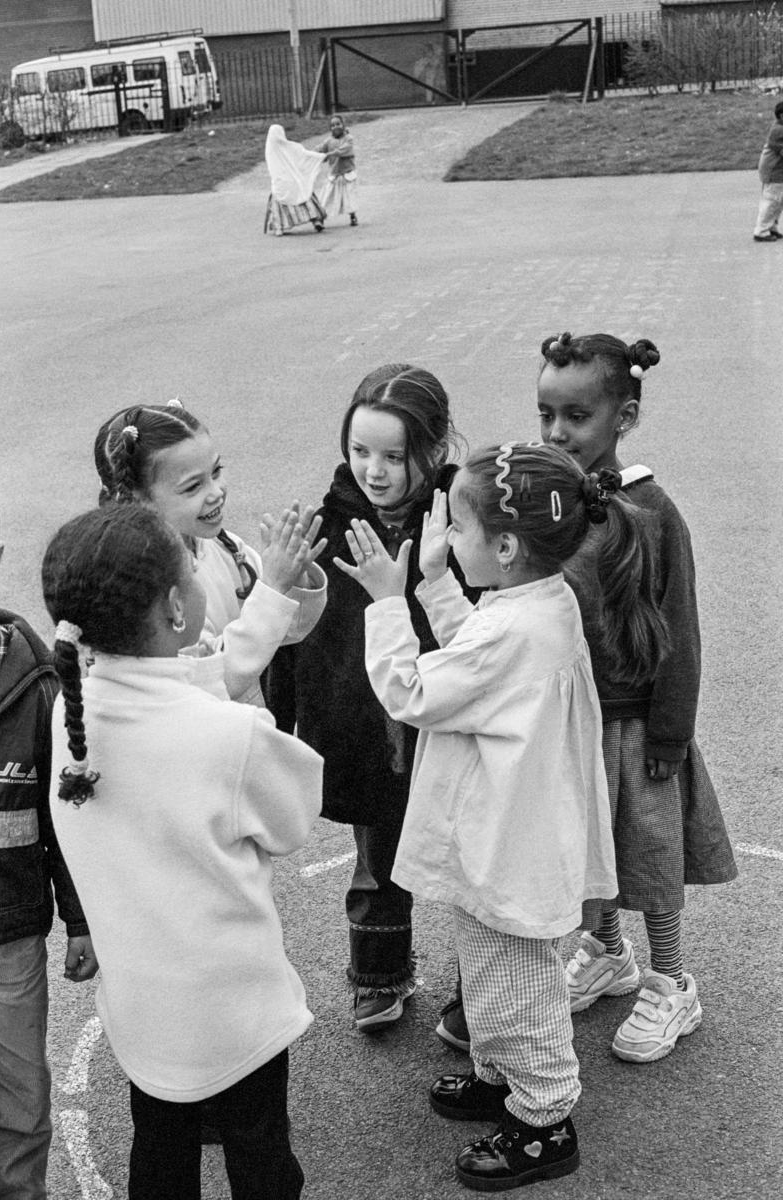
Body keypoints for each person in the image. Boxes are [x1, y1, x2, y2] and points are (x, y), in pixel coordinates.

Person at [337, 441, 664, 1189]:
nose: (446, 540)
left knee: (517, 984)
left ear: (507, 546)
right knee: (491, 974)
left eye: (456, 529)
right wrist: (431, 586)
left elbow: (414, 691)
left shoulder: (515, 627)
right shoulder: (534, 602)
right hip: (515, 830)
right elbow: (473, 649)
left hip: (508, 842)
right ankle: (499, 1078)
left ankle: (545, 1119)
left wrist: (389, 602)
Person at [41, 503, 324, 1199]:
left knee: (160, 1151)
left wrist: (271, 596)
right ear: (175, 608)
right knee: (260, 1153)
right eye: (193, 571)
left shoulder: (73, 713)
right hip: (233, 1010)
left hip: (145, 1009)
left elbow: (184, 685)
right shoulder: (230, 737)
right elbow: (291, 823)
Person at [537, 331, 737, 1063]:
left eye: (577, 416)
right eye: (546, 414)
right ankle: (608, 955)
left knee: (649, 857)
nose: (558, 431)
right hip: (571, 724)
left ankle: (670, 982)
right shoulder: (548, 504)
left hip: (635, 728)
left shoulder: (654, 512)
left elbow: (679, 628)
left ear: (622, 419)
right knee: (588, 850)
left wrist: (670, 735)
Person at [264, 364, 475, 1032]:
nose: (374, 470)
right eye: (360, 451)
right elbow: (290, 638)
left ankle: (487, 993)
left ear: (436, 450)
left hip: (449, 725)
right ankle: (380, 975)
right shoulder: (327, 528)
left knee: (474, 866)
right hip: (364, 731)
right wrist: (280, 726)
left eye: (393, 455)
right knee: (377, 860)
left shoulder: (462, 519)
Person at [0, 476, 97, 1200]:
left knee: (19, 1105)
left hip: (7, 936)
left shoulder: (33, 683)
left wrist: (82, 921)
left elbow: (64, 817)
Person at [94, 400, 327, 708]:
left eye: (216, 471)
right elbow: (209, 682)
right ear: (137, 501)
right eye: (193, 486)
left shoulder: (222, 545)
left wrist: (292, 581)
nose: (216, 491)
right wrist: (271, 590)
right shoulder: (138, 588)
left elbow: (281, 631)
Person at [263, 123, 327, 236]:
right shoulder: (289, 147)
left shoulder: (271, 148)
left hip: (280, 182)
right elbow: (303, 155)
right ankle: (315, 219)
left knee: (279, 196)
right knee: (303, 191)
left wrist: (320, 156)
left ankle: (279, 226)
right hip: (291, 180)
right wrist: (320, 157)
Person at [316, 115, 359, 227]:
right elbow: (320, 150)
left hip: (347, 173)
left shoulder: (349, 138)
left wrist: (329, 154)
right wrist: (312, 155)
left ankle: (353, 216)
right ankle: (320, 219)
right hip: (334, 174)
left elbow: (343, 150)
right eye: (333, 125)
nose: (336, 127)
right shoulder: (328, 141)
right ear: (330, 128)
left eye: (338, 124)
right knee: (326, 198)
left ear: (343, 125)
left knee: (349, 197)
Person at [752, 98, 783, 242]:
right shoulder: (778, 130)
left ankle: (771, 227)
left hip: (778, 172)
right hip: (774, 172)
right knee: (771, 201)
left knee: (778, 202)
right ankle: (761, 231)